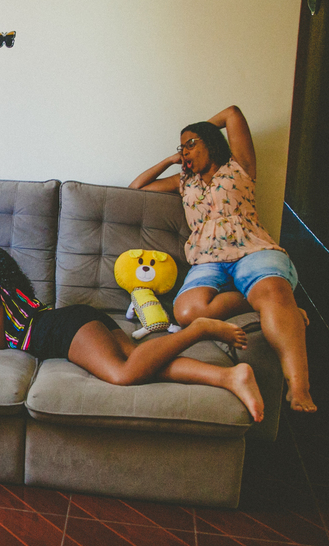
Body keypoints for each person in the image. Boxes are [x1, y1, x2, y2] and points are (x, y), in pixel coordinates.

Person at [0, 246, 264, 422]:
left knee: (122, 374)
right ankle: (229, 377)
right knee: (143, 362)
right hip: (77, 318)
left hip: (62, 331)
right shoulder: (5, 291)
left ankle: (200, 328)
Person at [129, 104, 316, 413]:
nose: (185, 151)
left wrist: (202, 128)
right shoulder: (183, 182)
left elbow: (232, 113)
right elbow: (137, 188)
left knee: (272, 292)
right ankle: (280, 305)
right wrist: (171, 160)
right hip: (208, 260)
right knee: (187, 311)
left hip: (252, 249)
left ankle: (299, 387)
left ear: (211, 141)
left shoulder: (239, 165)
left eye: (192, 143)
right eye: (181, 146)